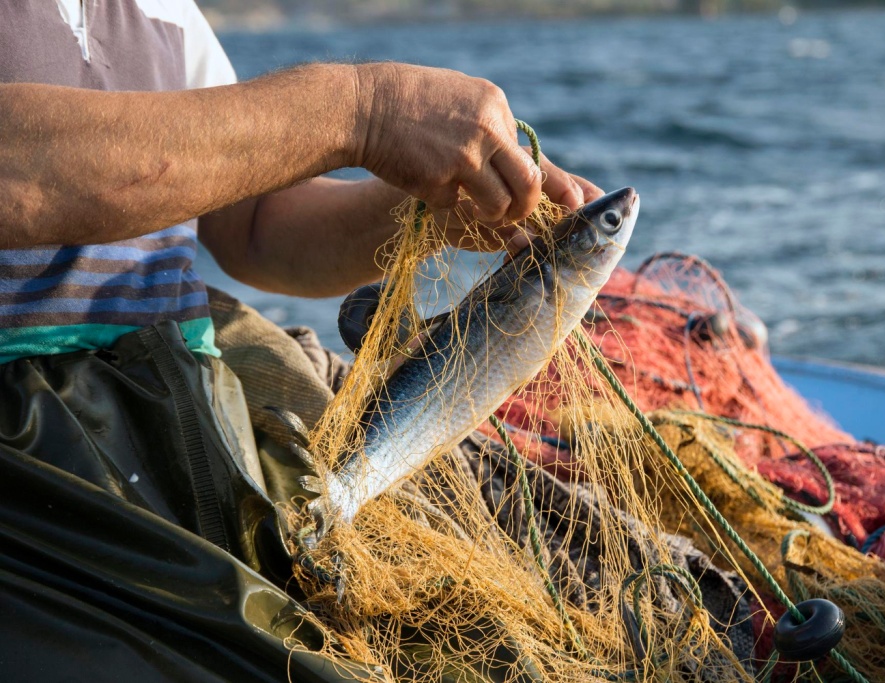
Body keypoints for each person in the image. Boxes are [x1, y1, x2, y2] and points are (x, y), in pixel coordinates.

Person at [0, 2, 603, 681]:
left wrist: (427, 213)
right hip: (31, 470)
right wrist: (361, 110)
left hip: (188, 432)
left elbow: (255, 225)